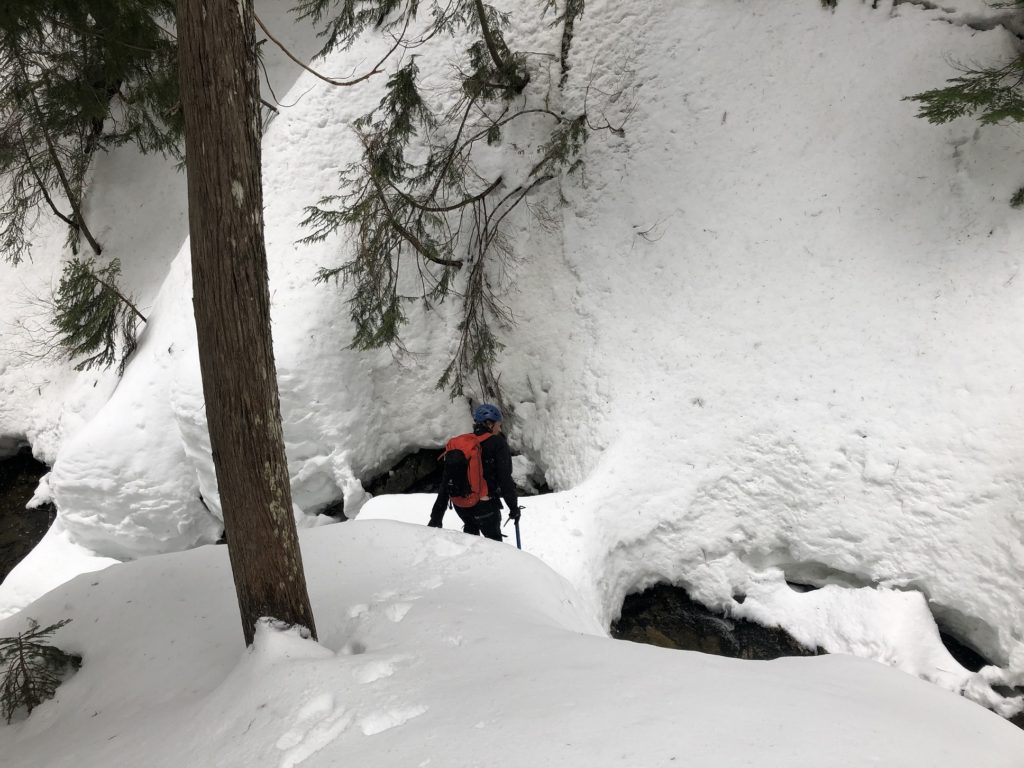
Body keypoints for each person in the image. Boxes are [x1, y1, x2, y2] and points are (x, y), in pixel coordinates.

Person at [429, 404, 520, 542]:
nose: (500, 428)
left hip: (461, 506)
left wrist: (436, 518)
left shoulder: (462, 443)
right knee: (494, 545)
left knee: (471, 541)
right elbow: (505, 479)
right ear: (489, 424)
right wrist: (513, 508)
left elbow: (446, 481)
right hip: (485, 507)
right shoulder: (497, 443)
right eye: (498, 425)